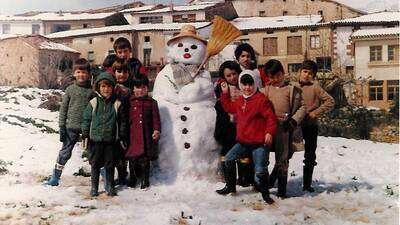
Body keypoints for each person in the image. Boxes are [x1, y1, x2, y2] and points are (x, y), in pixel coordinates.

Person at [216, 69, 277, 204]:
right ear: (240, 85)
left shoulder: (262, 100)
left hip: (258, 143)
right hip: (243, 142)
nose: (247, 88)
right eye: (244, 85)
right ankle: (230, 187)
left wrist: (269, 132)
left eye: (250, 84)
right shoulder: (240, 100)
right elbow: (229, 108)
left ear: (255, 84)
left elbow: (271, 119)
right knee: (228, 159)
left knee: (260, 169)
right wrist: (225, 94)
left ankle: (265, 194)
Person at [45, 58, 94, 186]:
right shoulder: (70, 90)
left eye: (84, 72)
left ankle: (104, 180)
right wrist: (61, 126)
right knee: (64, 153)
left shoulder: (92, 91)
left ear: (88, 74)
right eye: (78, 72)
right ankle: (55, 178)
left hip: (87, 129)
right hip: (70, 128)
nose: (81, 75)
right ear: (74, 73)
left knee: (93, 154)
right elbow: (63, 110)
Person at [261, 59, 306, 199]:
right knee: (264, 157)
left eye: (277, 75)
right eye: (271, 76)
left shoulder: (292, 90)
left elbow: (303, 107)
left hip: (285, 128)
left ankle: (281, 190)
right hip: (268, 128)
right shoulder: (266, 90)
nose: (275, 79)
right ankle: (264, 185)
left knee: (283, 158)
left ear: (283, 72)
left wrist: (293, 120)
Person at [81, 72, 128, 197]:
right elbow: (86, 119)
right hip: (95, 140)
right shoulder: (94, 103)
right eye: (103, 86)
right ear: (98, 88)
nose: (105, 89)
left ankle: (110, 186)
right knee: (95, 164)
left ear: (113, 88)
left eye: (108, 86)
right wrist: (85, 133)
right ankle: (94, 187)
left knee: (110, 165)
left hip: (110, 141)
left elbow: (122, 121)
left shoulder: (117, 104)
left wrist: (122, 135)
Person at [296, 60, 334, 192]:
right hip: (295, 125)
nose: (307, 75)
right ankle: (275, 179)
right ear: (300, 71)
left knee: (310, 155)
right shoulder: (293, 85)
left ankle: (307, 184)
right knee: (285, 153)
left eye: (310, 73)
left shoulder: (316, 87)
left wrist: (315, 113)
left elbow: (330, 101)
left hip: (310, 126)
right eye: (305, 71)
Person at [214, 61, 253, 187]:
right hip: (227, 127)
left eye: (234, 74)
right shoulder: (222, 88)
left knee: (243, 153)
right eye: (228, 75)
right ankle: (229, 179)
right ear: (224, 77)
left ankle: (244, 178)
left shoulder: (244, 85)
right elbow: (221, 108)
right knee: (227, 152)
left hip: (243, 126)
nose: (232, 77)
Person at [125, 74, 161, 189]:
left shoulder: (152, 103)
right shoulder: (130, 102)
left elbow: (156, 118)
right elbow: (126, 119)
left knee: (145, 160)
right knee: (132, 159)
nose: (140, 90)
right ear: (133, 88)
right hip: (133, 136)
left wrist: (156, 130)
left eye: (143, 87)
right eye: (137, 87)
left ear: (147, 88)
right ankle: (133, 178)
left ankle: (145, 179)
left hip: (146, 136)